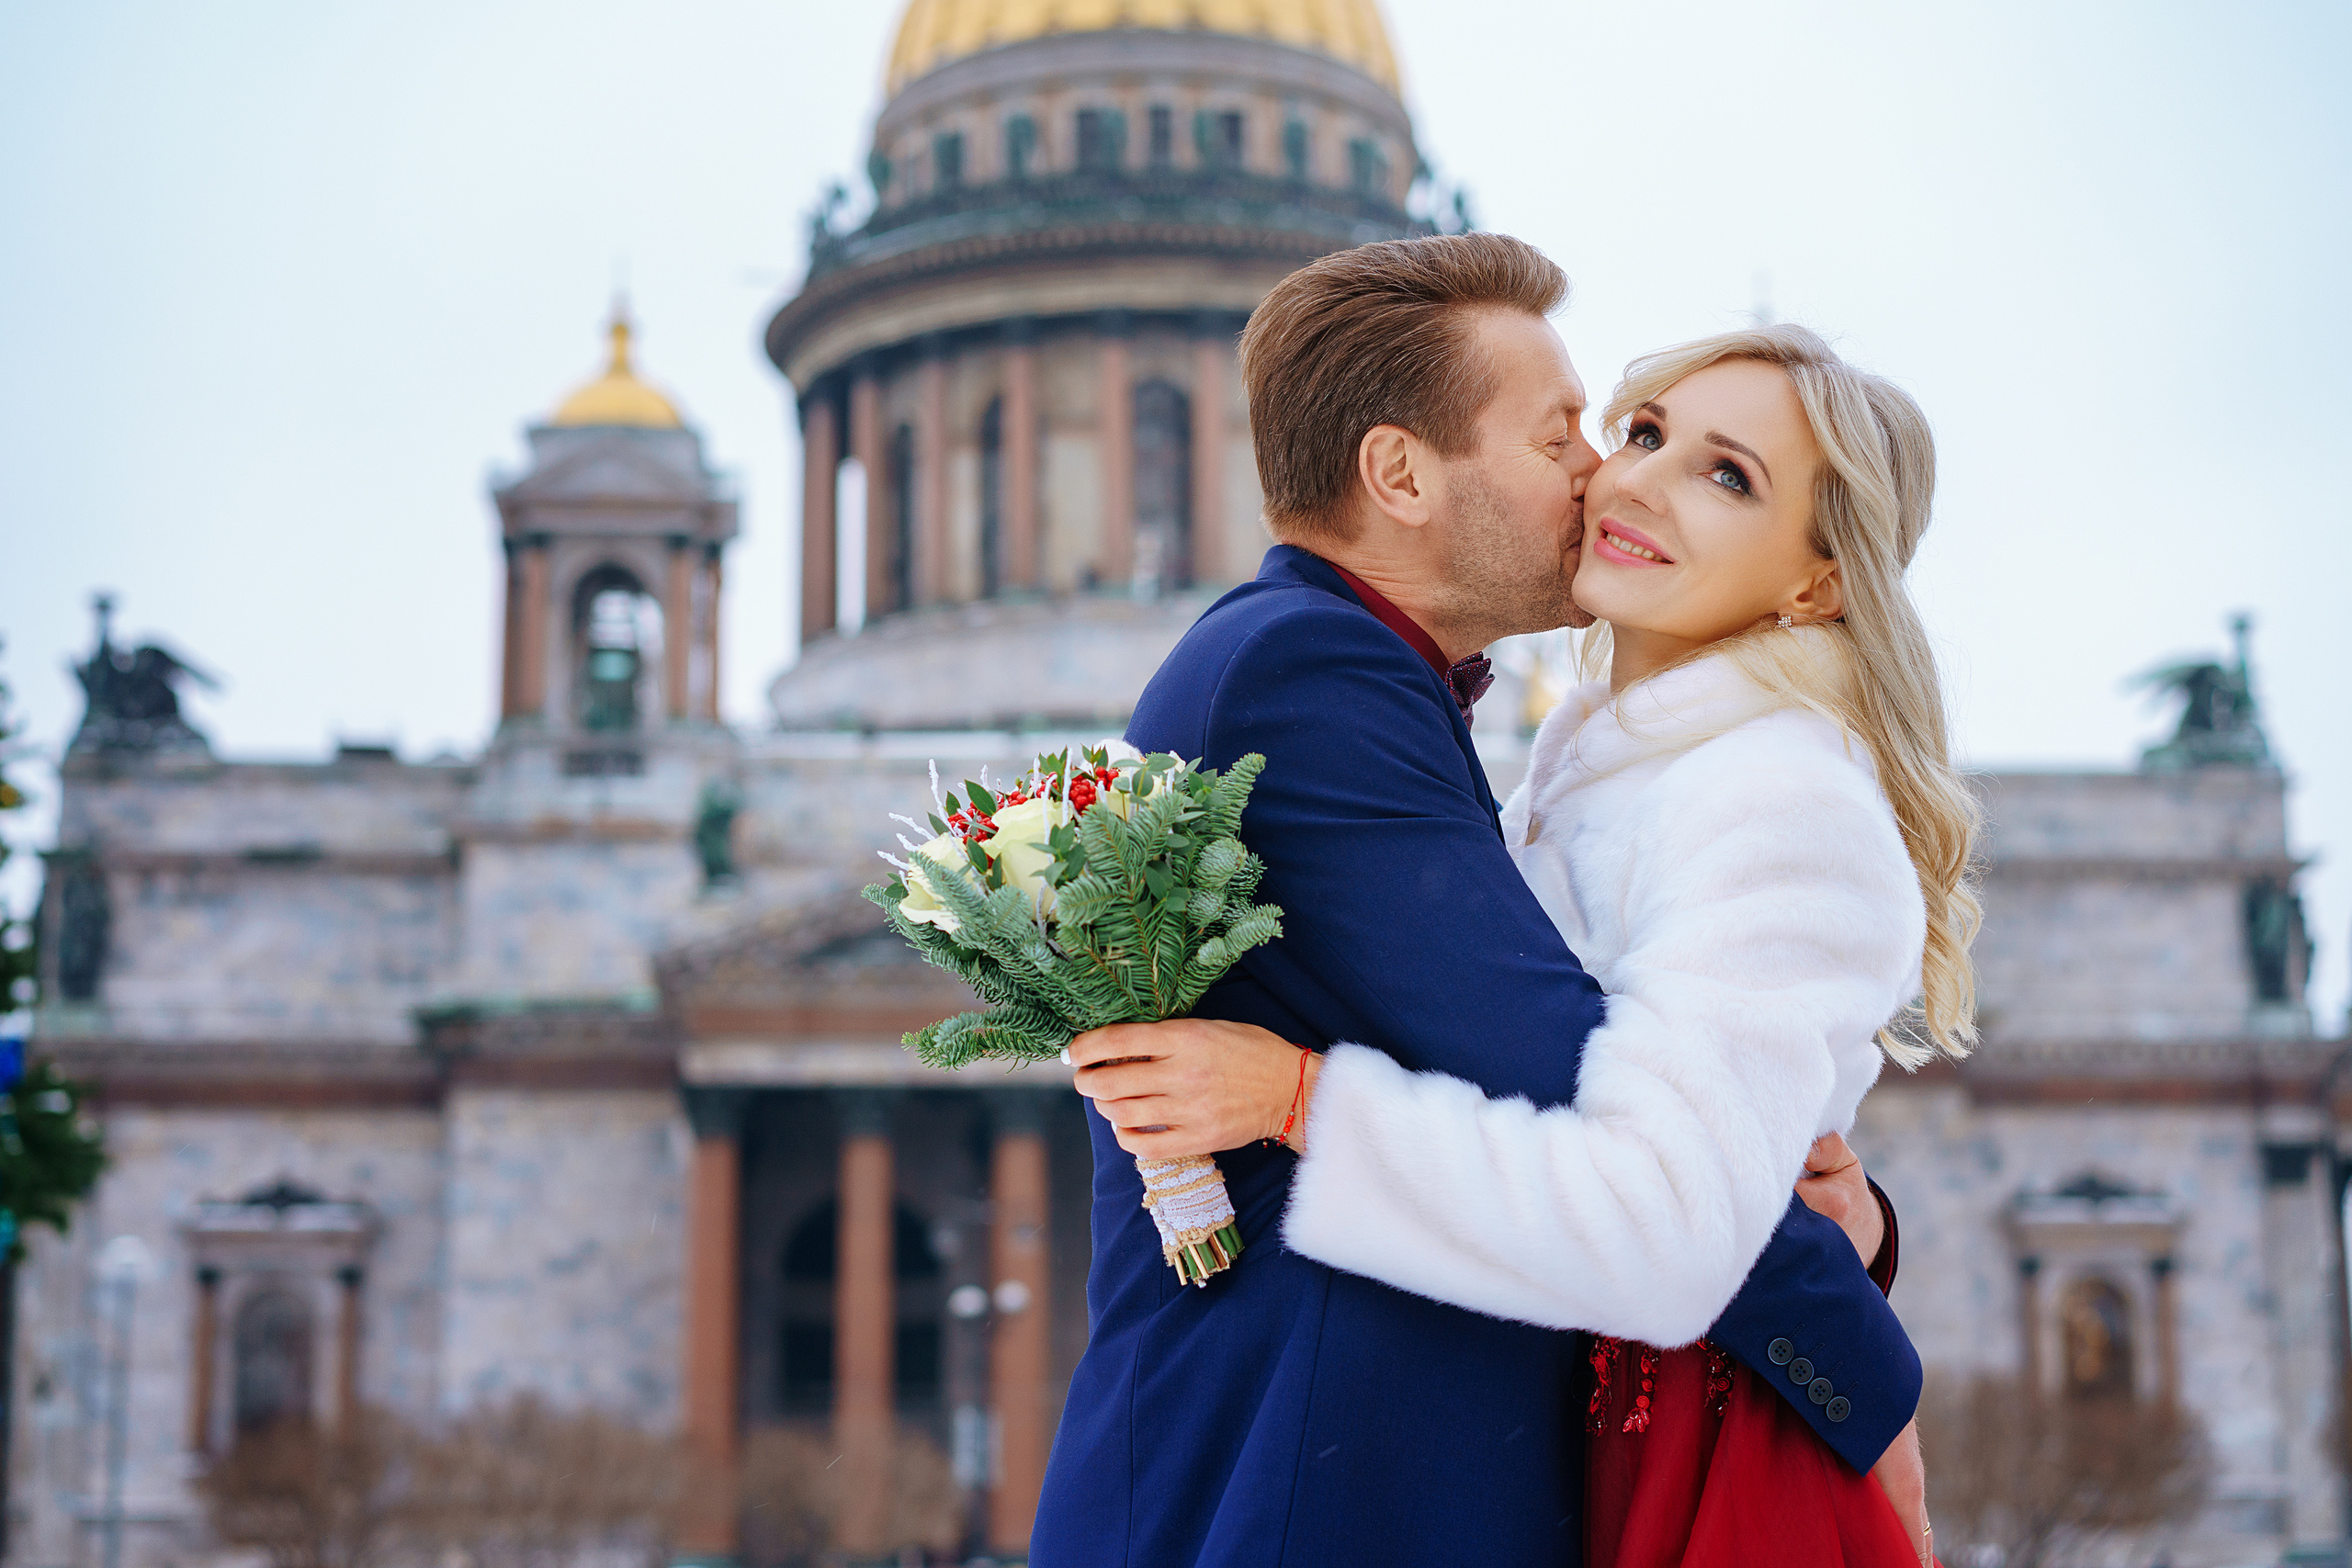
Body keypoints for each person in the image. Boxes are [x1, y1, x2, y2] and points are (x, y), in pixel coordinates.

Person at [1027, 234, 1928, 1568]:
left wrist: (1819, 1226)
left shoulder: (1612, 759)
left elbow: (1622, 1135)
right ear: (1400, 472)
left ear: (1816, 577)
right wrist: (1862, 1360)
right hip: (1294, 1496)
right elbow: (1571, 1078)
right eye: (1594, 430)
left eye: (1718, 470)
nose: (1605, 472)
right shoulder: (1310, 678)